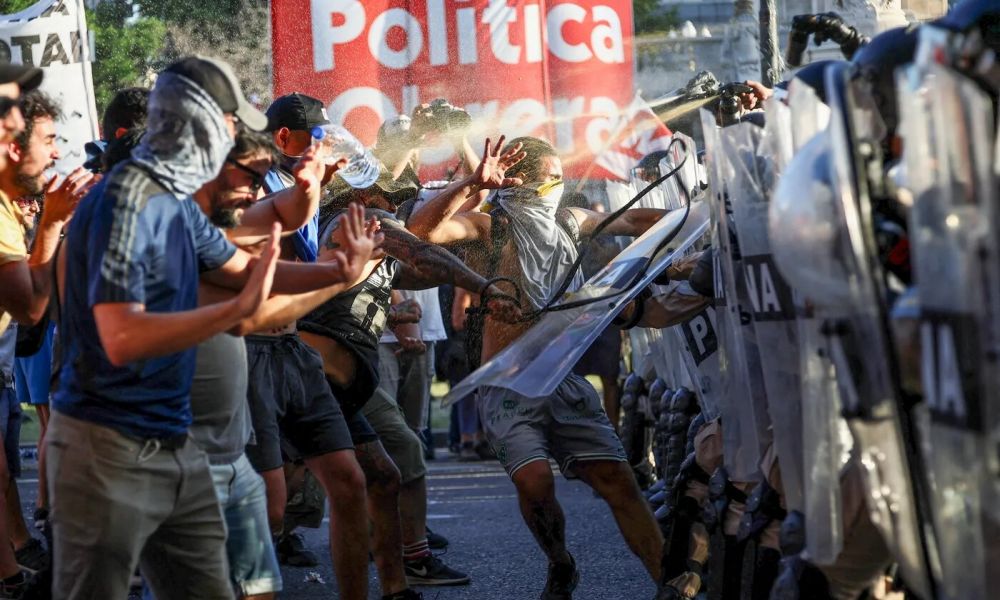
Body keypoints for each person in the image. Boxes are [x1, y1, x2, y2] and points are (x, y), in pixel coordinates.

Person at [48, 56, 373, 600]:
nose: (234, 139)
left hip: (178, 445)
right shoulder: (129, 201)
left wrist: (338, 270)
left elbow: (244, 267)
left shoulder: (177, 203)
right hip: (107, 449)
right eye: (228, 124)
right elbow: (123, 337)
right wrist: (236, 313)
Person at [408, 136, 668, 598]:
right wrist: (470, 182)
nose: (557, 183)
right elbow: (422, 232)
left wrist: (707, 217)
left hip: (562, 378)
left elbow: (633, 220)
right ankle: (560, 562)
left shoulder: (570, 219)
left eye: (559, 175)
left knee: (619, 483)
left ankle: (668, 584)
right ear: (517, 180)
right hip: (506, 386)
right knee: (535, 480)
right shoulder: (490, 226)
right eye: (549, 175)